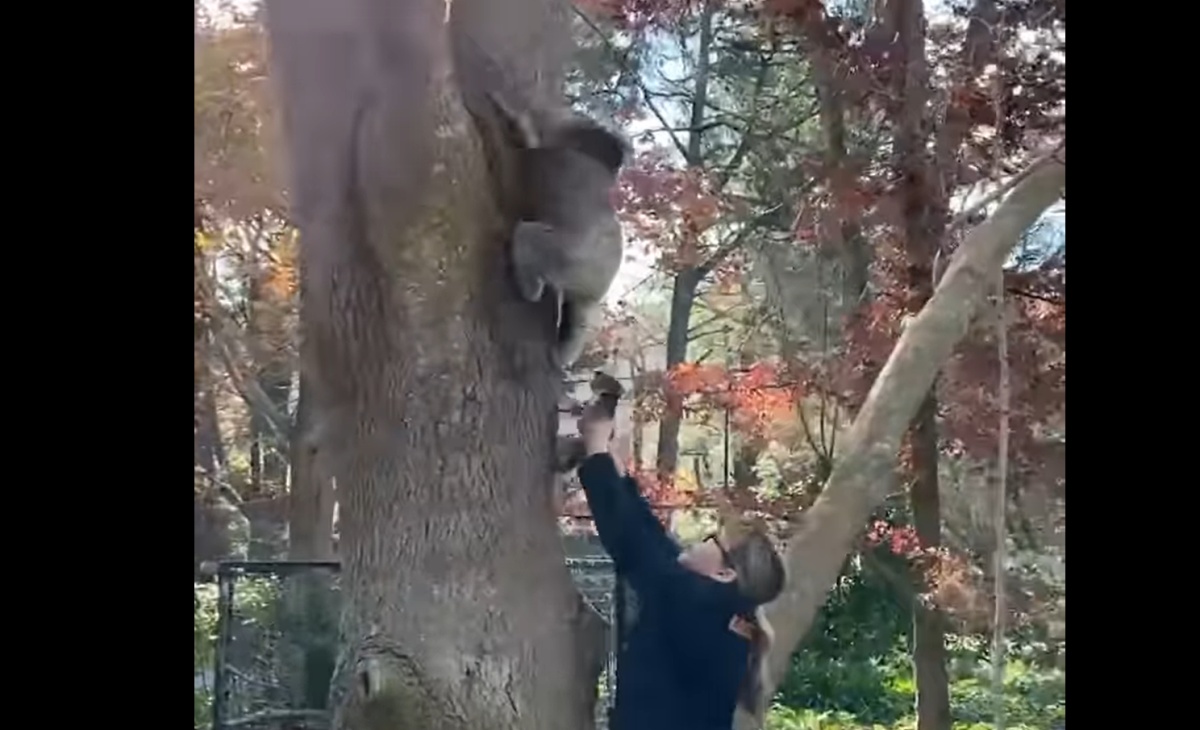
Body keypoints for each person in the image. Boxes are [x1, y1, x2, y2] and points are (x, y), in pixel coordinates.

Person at [576, 412, 786, 730]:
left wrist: (595, 447)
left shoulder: (695, 605)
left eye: (713, 540)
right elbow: (655, 544)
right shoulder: (715, 610)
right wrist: (616, 472)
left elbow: (632, 543)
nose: (701, 540)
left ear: (724, 574)